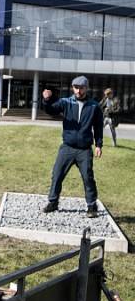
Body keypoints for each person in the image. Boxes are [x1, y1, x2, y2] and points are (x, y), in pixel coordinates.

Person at [41, 76, 103, 218]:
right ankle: (53, 202)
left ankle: (92, 206)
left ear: (86, 88)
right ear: (72, 88)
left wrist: (99, 145)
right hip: (67, 148)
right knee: (57, 174)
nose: (78, 90)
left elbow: (98, 127)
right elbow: (51, 110)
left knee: (88, 177)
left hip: (84, 150)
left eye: (81, 87)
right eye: (76, 87)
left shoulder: (94, 106)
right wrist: (46, 100)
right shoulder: (66, 102)